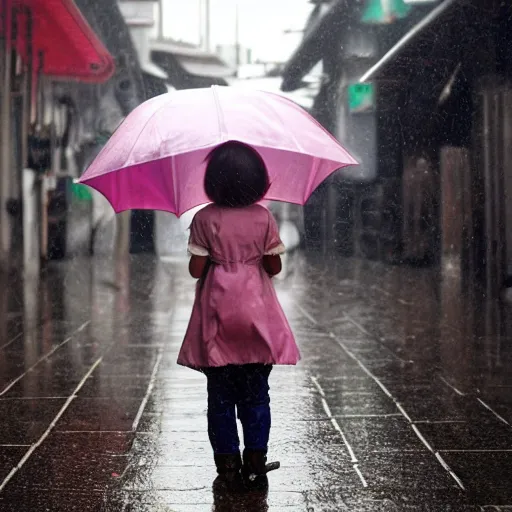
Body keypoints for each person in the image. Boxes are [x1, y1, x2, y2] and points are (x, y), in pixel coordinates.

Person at [177, 141, 301, 488]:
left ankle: (227, 465)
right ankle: (256, 458)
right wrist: (253, 256)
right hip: (255, 318)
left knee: (219, 397)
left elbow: (196, 270)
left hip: (218, 316)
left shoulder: (205, 218)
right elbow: (274, 267)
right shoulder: (263, 217)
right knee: (257, 393)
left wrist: (215, 254)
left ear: (213, 180)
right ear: (258, 179)